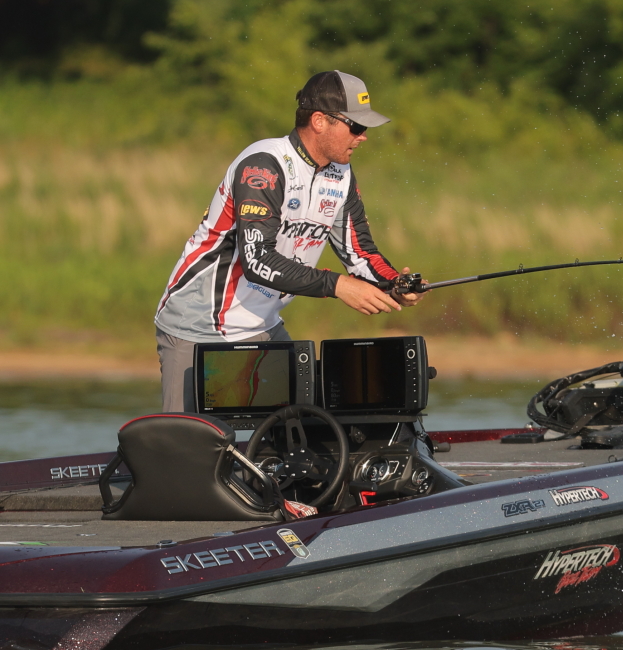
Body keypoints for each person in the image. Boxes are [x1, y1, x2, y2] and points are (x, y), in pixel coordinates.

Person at [154, 70, 425, 412]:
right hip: (198, 326)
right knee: (194, 440)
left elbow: (360, 252)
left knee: (301, 430)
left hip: (263, 324)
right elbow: (257, 262)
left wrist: (394, 283)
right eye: (356, 126)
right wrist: (338, 286)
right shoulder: (264, 166)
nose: (363, 137)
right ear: (319, 121)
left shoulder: (341, 174)